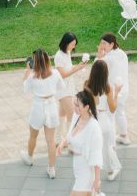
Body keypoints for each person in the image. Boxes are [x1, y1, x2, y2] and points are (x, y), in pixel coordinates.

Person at [21, 48, 62, 179]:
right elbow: (61, 87)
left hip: (38, 108)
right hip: (51, 106)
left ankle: (29, 157)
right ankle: (51, 169)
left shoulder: (33, 77)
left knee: (33, 136)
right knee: (50, 141)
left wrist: (27, 71)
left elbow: (25, 89)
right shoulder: (55, 73)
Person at [56, 89, 103, 196]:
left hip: (86, 170)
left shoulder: (93, 127)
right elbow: (70, 135)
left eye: (77, 105)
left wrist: (97, 180)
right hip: (77, 166)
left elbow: (97, 155)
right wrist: (62, 144)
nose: (74, 107)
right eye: (74, 104)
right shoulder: (76, 116)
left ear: (87, 107)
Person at [84, 60, 122, 181]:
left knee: (93, 147)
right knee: (106, 147)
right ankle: (111, 171)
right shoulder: (107, 87)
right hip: (104, 120)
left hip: (91, 119)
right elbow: (112, 108)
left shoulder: (86, 84)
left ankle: (92, 171)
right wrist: (116, 93)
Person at [54, 32, 89, 141]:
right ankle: (70, 140)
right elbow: (63, 74)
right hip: (63, 89)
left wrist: (78, 66)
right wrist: (77, 68)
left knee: (62, 113)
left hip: (69, 87)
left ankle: (58, 139)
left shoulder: (67, 52)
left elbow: (68, 68)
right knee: (73, 114)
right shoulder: (59, 56)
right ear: (66, 43)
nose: (74, 46)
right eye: (73, 44)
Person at [99, 32, 131, 145]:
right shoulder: (122, 53)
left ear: (112, 44)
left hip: (113, 91)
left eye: (104, 43)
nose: (102, 46)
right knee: (120, 112)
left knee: (110, 115)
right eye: (101, 43)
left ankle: (110, 142)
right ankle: (124, 135)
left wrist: (99, 56)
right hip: (124, 88)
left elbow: (96, 67)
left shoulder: (108, 58)